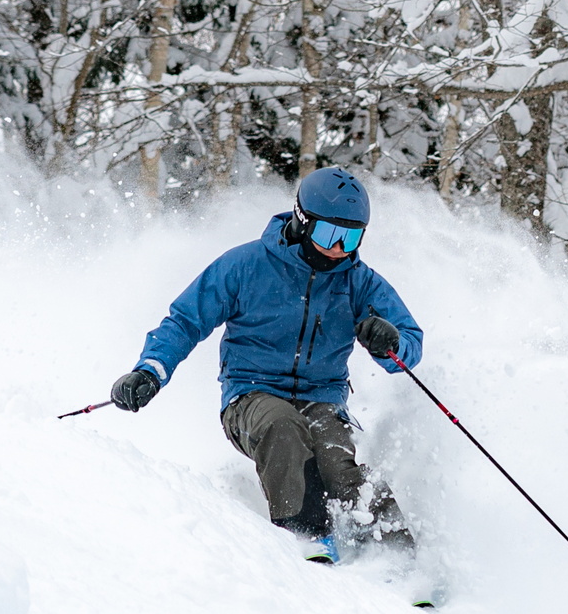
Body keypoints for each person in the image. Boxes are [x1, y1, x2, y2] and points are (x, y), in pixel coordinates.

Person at [109, 167, 422, 564]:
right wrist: (150, 371)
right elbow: (185, 321)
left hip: (323, 397)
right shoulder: (245, 266)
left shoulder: (359, 282)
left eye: (353, 237)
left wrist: (389, 341)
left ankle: (397, 556)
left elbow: (410, 346)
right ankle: (306, 535)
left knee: (337, 465)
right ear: (302, 220)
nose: (340, 248)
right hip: (250, 395)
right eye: (330, 235)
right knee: (282, 426)